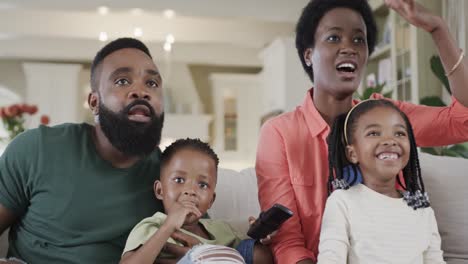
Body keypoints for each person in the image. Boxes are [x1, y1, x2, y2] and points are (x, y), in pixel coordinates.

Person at [255, 0, 468, 263]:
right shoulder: (278, 133)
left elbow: (463, 120)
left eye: (359, 40)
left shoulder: (386, 117)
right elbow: (288, 241)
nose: (349, 48)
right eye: (334, 37)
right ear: (309, 54)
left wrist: (438, 29)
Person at [0, 38, 166, 263]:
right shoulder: (37, 150)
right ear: (94, 103)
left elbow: (203, 246)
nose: (141, 91)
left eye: (152, 83)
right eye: (122, 80)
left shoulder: (173, 175)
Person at [318, 99, 444, 263]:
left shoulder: (423, 210)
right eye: (374, 133)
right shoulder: (342, 202)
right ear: (352, 153)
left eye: (399, 133)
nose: (390, 140)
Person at [120, 138, 273, 264]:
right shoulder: (153, 226)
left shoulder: (222, 229)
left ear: (211, 200)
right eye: (179, 180)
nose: (191, 190)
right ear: (160, 190)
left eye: (202, 185)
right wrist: (168, 226)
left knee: (258, 252)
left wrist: (261, 235)